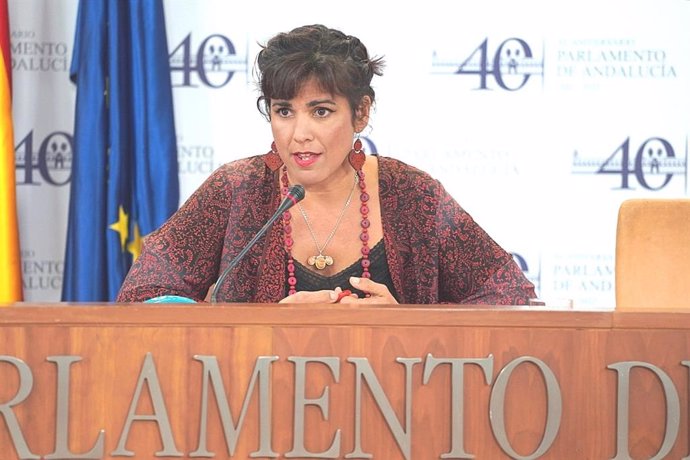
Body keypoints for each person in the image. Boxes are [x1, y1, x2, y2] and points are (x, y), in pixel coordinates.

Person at [116, 24, 535, 305]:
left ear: (361, 112)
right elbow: (143, 295)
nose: (299, 134)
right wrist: (264, 328)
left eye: (320, 111)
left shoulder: (411, 194)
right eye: (284, 111)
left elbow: (512, 298)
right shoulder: (236, 190)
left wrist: (411, 323)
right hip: (255, 419)